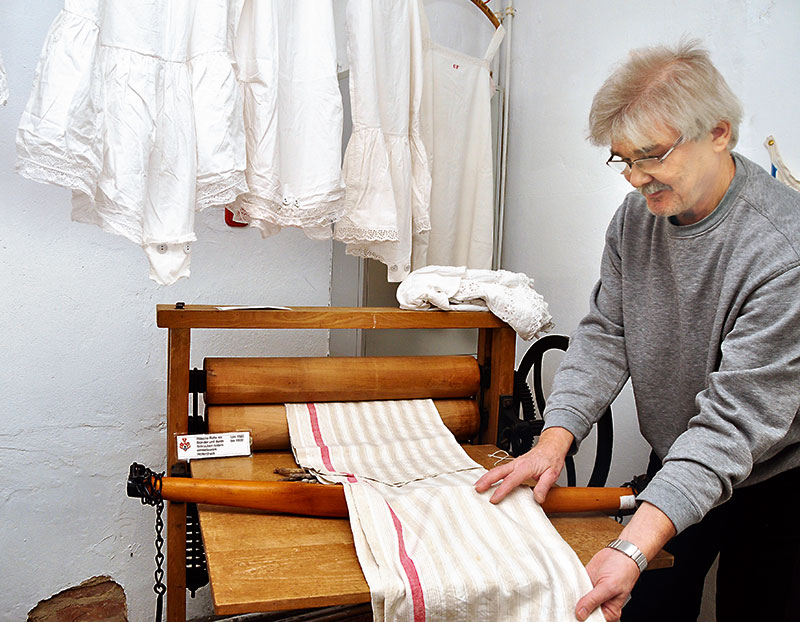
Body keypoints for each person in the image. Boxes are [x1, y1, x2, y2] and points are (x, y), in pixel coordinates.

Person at [475, 39, 800, 622]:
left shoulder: (782, 251)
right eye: (622, 159)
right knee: (643, 606)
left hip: (778, 476)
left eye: (650, 156)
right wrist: (554, 441)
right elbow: (606, 332)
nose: (634, 179)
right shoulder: (639, 216)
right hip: (678, 454)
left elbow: (734, 422)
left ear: (719, 132)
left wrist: (632, 543)